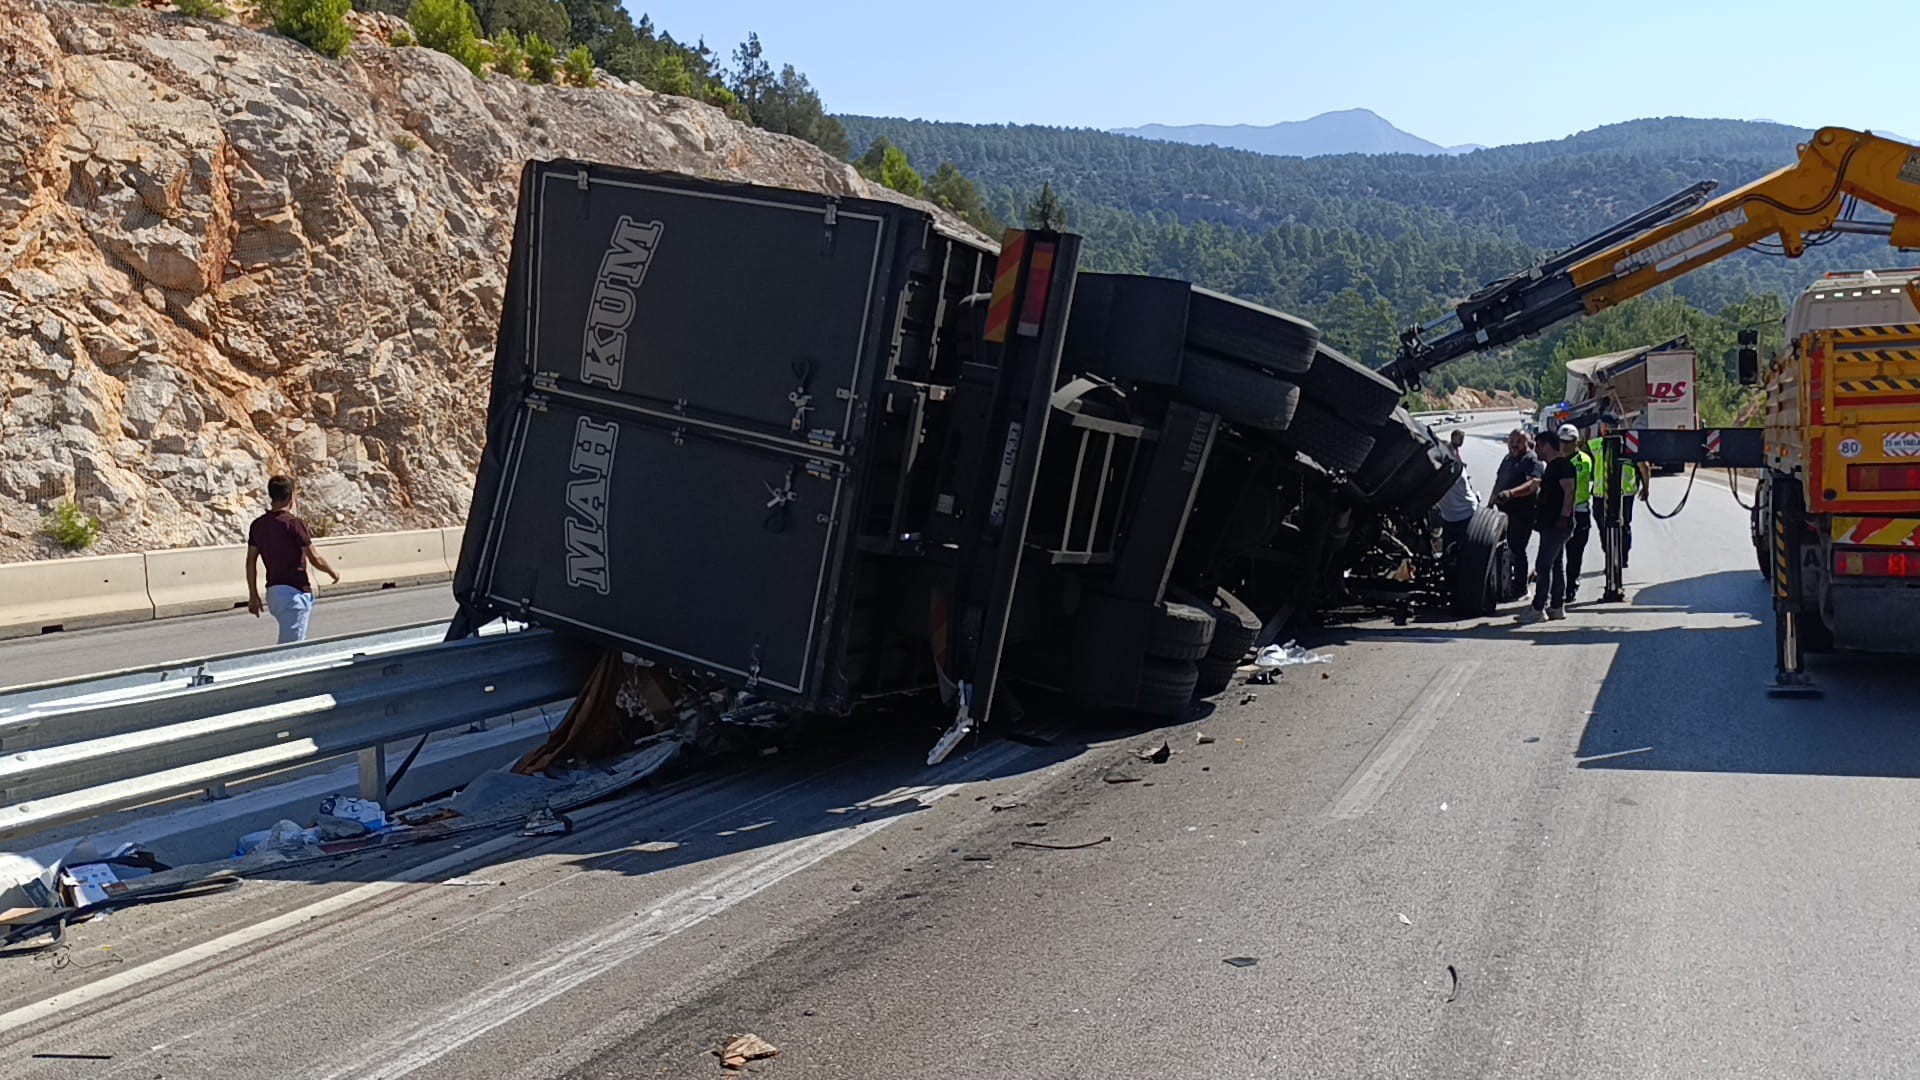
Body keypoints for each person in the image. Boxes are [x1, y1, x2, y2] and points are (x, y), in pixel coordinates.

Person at [246, 474, 340, 644]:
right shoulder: (294, 524)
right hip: (294, 593)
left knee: (293, 643)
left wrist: (253, 595)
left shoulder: (258, 525)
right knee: (291, 650)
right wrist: (333, 572)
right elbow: (314, 558)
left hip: (274, 593)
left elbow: (251, 561)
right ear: (291, 496)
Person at [1517, 430, 1576, 623]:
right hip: (1551, 524)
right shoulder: (1552, 467)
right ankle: (1557, 606)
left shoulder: (1562, 466)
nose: (1536, 450)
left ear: (1546, 446)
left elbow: (1569, 491)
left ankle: (1538, 607)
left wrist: (1564, 517)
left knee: (1543, 565)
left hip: (1557, 525)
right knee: (1556, 565)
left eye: (1537, 446)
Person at [1491, 429, 1543, 596]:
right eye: (1511, 440)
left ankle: (1520, 588)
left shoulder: (1531, 460)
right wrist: (1490, 503)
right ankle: (1504, 583)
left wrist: (1511, 493)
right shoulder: (1507, 459)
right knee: (1502, 549)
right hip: (1504, 513)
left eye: (1519, 441)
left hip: (1523, 512)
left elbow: (1533, 485)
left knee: (1517, 549)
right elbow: (1499, 482)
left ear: (1528, 443)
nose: (1514, 444)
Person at [1591, 414, 1645, 568]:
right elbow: (1644, 466)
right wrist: (1646, 488)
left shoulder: (1596, 444)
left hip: (1602, 494)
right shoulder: (1630, 445)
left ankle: (1611, 556)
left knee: (1605, 526)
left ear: (1604, 427)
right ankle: (1621, 558)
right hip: (1624, 494)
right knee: (1624, 525)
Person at [1558, 422, 1594, 603]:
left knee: (1574, 553)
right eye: (1561, 441)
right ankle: (1555, 589)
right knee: (1555, 554)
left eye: (1568, 442)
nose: (1564, 445)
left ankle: (1571, 586)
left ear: (1576, 442)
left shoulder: (1584, 461)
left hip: (1579, 511)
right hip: (1557, 512)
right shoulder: (1554, 461)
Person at [1435, 427, 1481, 552]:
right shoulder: (1450, 455)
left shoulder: (1454, 454)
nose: (1461, 441)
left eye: (1463, 439)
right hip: (1457, 515)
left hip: (1459, 513)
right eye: (1460, 438)